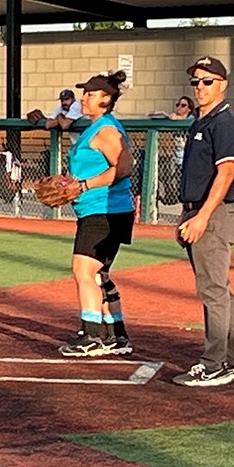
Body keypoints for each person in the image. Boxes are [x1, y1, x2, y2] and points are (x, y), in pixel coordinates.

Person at [172, 56, 234, 387]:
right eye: (196, 81)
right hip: (198, 210)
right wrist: (187, 215)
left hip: (214, 213)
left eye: (207, 81)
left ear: (223, 84)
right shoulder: (200, 121)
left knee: (213, 291)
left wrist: (201, 217)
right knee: (219, 289)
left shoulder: (224, 123)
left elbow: (225, 175)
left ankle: (214, 364)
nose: (200, 87)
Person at [55, 71, 136, 357]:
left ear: (106, 98)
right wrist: (69, 183)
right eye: (84, 93)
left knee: (83, 270)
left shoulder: (107, 131)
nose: (83, 98)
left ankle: (91, 336)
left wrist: (84, 185)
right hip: (100, 209)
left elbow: (123, 169)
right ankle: (116, 335)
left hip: (104, 210)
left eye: (90, 94)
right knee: (99, 273)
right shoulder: (96, 127)